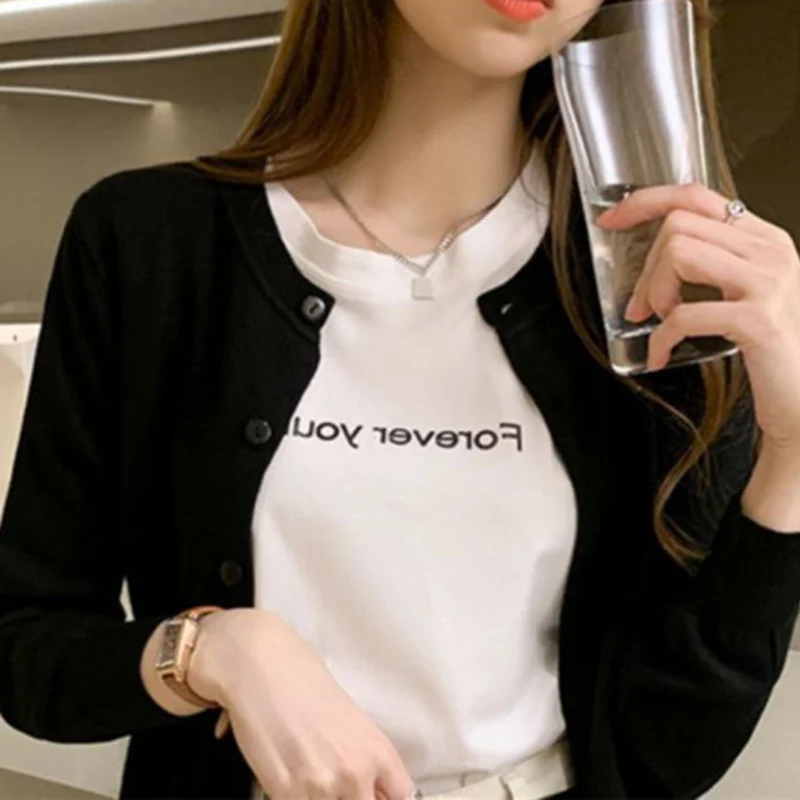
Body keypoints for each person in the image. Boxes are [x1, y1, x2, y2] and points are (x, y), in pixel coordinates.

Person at [2, 0, 800, 798]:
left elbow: (670, 747)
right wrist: (212, 650)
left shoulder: (656, 283)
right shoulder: (149, 241)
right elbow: (30, 648)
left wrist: (793, 448)